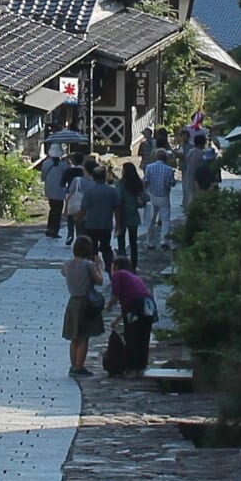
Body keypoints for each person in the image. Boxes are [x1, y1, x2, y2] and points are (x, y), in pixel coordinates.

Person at [60, 236, 108, 375]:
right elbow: (99, 281)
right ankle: (79, 366)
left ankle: (73, 364)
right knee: (83, 337)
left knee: (74, 337)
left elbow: (63, 273)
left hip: (73, 301)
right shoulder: (89, 265)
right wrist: (99, 265)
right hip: (86, 302)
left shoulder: (67, 264)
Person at [106, 261, 157, 375]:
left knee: (131, 336)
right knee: (143, 337)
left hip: (135, 306)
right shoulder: (135, 278)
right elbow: (130, 301)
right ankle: (141, 367)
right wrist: (117, 320)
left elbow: (116, 296)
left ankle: (131, 368)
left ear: (116, 267)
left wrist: (108, 307)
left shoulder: (118, 275)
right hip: (148, 306)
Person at [75, 158, 123, 265]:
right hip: (106, 224)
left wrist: (78, 219)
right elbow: (117, 208)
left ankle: (92, 270)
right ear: (105, 176)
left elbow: (83, 209)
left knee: (92, 249)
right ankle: (109, 268)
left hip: (91, 224)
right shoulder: (112, 191)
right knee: (106, 248)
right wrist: (118, 224)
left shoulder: (89, 192)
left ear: (93, 176)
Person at [116, 154, 147, 269]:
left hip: (122, 214)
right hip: (134, 214)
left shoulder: (120, 184)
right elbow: (145, 198)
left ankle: (122, 264)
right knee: (133, 242)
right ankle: (133, 265)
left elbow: (118, 200)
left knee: (121, 242)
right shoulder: (138, 183)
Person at [144, 145, 178, 243]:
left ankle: (149, 241)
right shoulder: (169, 170)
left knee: (152, 219)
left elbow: (146, 181)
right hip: (164, 196)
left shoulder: (149, 167)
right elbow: (172, 183)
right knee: (165, 220)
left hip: (153, 195)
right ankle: (164, 240)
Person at [39, 144, 72, 241]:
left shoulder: (46, 163)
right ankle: (55, 230)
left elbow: (43, 176)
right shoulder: (64, 165)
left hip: (49, 189)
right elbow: (67, 176)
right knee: (58, 211)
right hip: (60, 190)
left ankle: (49, 229)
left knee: (52, 209)